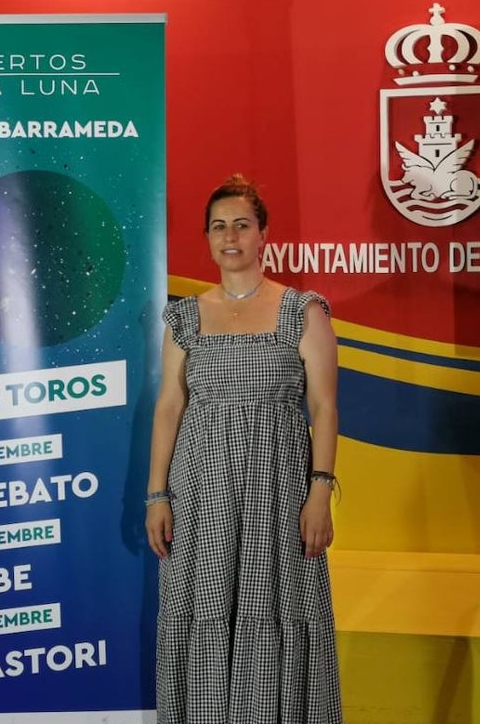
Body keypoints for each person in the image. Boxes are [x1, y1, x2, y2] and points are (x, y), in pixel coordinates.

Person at [146, 174, 342, 723]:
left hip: (277, 490)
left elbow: (324, 408)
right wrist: (156, 494)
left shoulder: (303, 311)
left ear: (263, 235)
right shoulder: (184, 317)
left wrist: (320, 492)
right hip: (200, 489)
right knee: (202, 609)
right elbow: (169, 406)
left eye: (241, 225)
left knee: (277, 609)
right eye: (218, 227)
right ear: (207, 238)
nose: (229, 237)